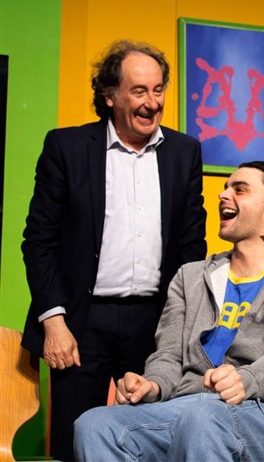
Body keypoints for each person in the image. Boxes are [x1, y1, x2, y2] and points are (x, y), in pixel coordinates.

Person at [73, 161, 264, 461]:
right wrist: (153, 384)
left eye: (239, 189)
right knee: (94, 425)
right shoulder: (190, 276)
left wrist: (247, 379)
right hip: (189, 404)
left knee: (202, 418)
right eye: (225, 188)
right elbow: (168, 355)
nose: (223, 195)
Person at [20, 40, 207, 460]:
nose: (152, 102)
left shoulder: (184, 152)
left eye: (158, 90)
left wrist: (182, 325)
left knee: (153, 442)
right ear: (109, 96)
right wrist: (53, 321)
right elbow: (39, 241)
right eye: (139, 91)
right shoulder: (67, 148)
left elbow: (191, 246)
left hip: (155, 321)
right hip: (80, 321)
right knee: (75, 441)